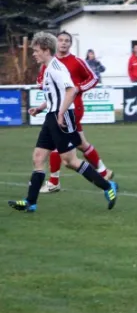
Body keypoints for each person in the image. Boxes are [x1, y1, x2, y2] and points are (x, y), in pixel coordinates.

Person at [8, 32, 118, 213]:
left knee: (70, 161)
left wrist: (60, 113)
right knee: (38, 158)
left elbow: (71, 90)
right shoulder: (48, 67)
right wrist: (41, 107)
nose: (34, 54)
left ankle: (108, 187)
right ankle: (30, 202)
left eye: (36, 51)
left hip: (62, 117)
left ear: (45, 50)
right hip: (51, 116)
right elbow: (55, 94)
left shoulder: (56, 69)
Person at [36, 31, 113, 194]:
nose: (63, 43)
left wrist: (78, 88)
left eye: (67, 41)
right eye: (61, 40)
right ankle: (104, 172)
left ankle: (54, 181)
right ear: (55, 43)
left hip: (72, 107)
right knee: (80, 143)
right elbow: (40, 82)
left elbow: (93, 78)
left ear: (71, 44)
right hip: (57, 107)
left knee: (60, 144)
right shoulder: (49, 63)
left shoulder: (76, 62)